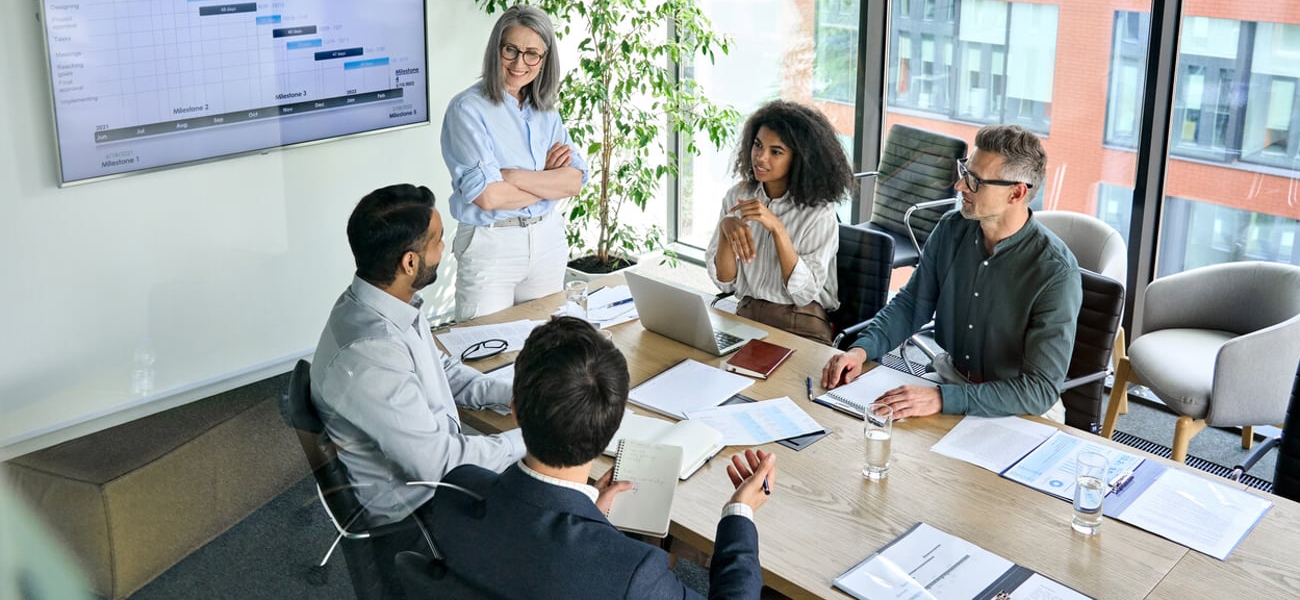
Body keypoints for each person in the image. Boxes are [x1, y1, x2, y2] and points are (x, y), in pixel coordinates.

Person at [427, 316, 774, 599]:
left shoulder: (455, 490)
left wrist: (591, 517)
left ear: (515, 411)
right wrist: (740, 514)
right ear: (613, 426)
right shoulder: (632, 572)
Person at [821, 124, 1082, 421]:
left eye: (975, 181)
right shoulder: (950, 228)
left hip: (1018, 407)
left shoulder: (1056, 273)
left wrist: (942, 398)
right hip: (949, 379)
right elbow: (910, 306)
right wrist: (861, 351)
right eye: (964, 172)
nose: (960, 187)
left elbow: (1038, 390)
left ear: (1017, 193)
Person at [310, 184, 525, 525]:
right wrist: (535, 436)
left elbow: (442, 371)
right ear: (410, 262)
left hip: (437, 471)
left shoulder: (382, 304)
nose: (446, 248)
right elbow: (440, 465)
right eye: (438, 241)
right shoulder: (369, 355)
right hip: (420, 512)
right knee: (560, 499)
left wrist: (519, 395)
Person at [441, 5, 587, 322]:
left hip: (547, 240)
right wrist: (548, 181)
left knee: (547, 352)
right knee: (485, 351)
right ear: (497, 49)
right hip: (491, 243)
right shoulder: (467, 109)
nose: (520, 63)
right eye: (511, 50)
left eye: (532, 53)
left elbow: (574, 181)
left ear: (545, 60)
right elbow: (488, 197)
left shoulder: (547, 110)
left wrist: (514, 176)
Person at [706, 100, 854, 344]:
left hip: (801, 323)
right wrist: (725, 230)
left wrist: (777, 228)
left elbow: (804, 293)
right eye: (757, 145)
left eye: (776, 152)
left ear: (800, 159)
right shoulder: (737, 196)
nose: (761, 158)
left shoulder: (819, 213)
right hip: (748, 314)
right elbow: (725, 282)